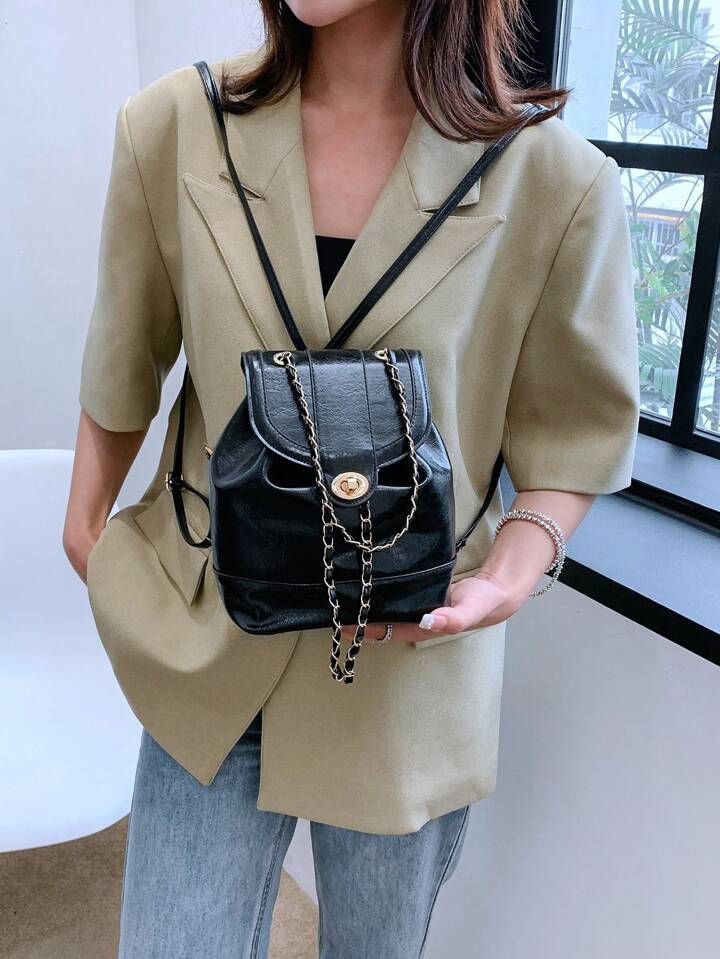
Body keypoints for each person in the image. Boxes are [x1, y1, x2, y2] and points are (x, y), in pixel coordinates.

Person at [63, 1, 640, 956]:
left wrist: (509, 573)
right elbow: (124, 355)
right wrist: (86, 534)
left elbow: (574, 432)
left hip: (407, 670)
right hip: (214, 635)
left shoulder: (555, 180)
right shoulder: (176, 127)